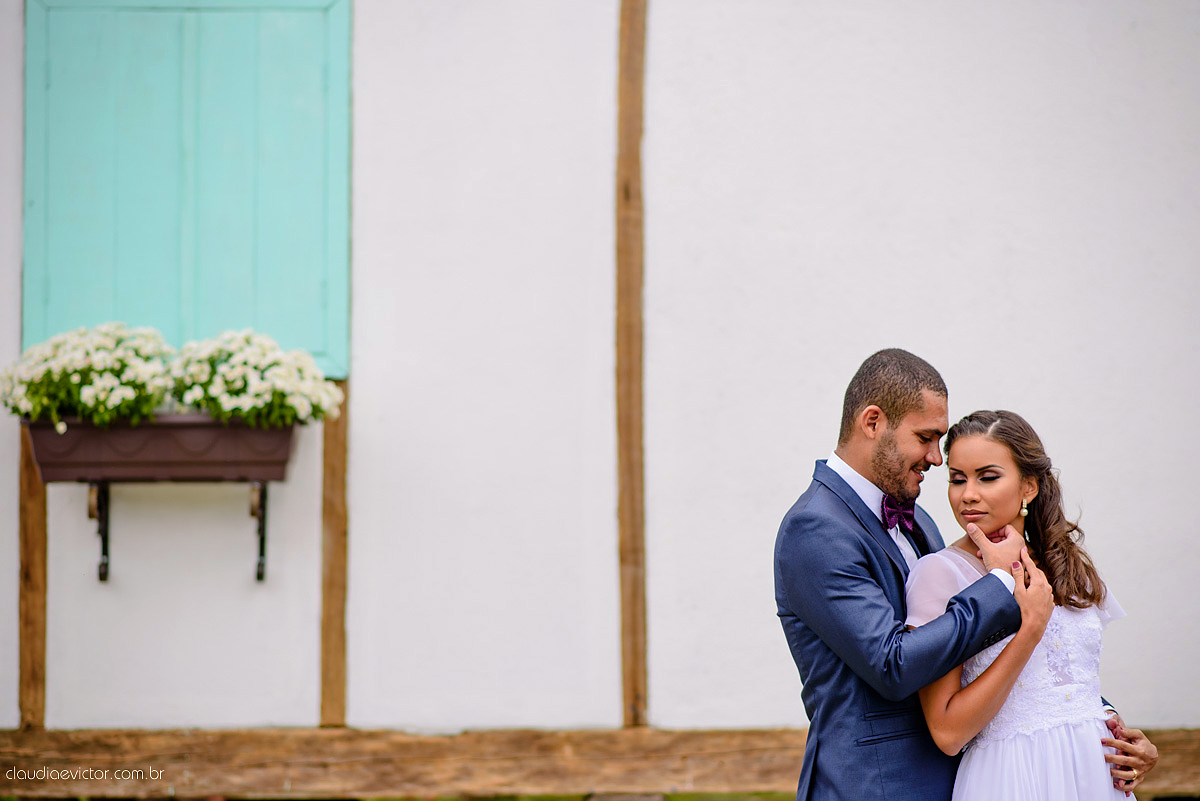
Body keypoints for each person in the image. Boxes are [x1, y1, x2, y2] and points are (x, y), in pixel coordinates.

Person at [774, 349, 1158, 801]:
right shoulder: (815, 527)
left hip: (977, 775)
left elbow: (1015, 666)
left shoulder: (918, 522)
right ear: (873, 422)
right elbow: (893, 665)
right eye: (926, 437)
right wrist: (1000, 587)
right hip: (877, 785)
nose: (936, 459)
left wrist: (1102, 720)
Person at [905, 410, 1158, 799]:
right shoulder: (939, 574)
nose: (967, 494)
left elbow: (1067, 683)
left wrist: (1122, 734)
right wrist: (1028, 629)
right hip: (1011, 777)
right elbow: (948, 732)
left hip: (1093, 775)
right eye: (957, 479)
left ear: (1029, 486)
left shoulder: (1067, 562)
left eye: (987, 477)